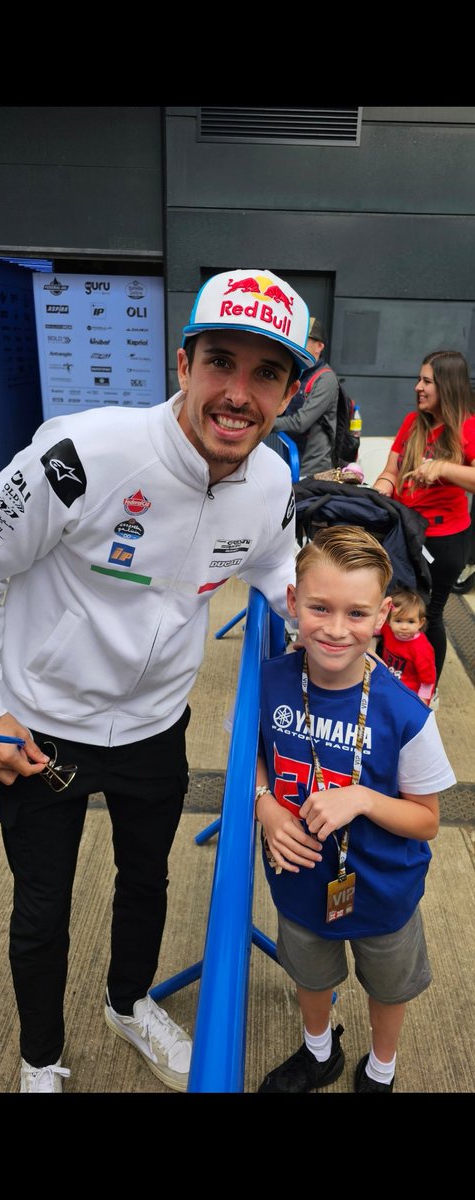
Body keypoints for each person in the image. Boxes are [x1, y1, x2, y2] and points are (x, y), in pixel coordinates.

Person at [0, 267, 316, 1094]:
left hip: (156, 724)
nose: (238, 394)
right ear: (182, 364)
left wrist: (339, 633)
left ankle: (128, 1001)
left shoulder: (272, 483)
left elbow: (281, 574)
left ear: (292, 390)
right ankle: (41, 1061)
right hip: (45, 724)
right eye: (221, 361)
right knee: (43, 912)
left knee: (147, 877)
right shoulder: (85, 451)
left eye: (267, 374)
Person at [254, 526, 455, 1094]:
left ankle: (381, 1067)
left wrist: (364, 798)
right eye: (319, 607)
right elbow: (253, 754)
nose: (337, 629)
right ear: (293, 603)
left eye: (357, 613)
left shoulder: (405, 713)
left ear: (384, 614)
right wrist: (263, 803)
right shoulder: (268, 682)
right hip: (298, 877)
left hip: (383, 889)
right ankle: (320, 1052)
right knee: (309, 974)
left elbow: (428, 819)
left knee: (388, 987)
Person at [372, 350, 475, 690]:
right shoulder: (412, 423)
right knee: (394, 609)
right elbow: (391, 469)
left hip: (444, 540)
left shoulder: (468, 427)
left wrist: (444, 467)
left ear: (447, 385)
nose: (418, 387)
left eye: (427, 381)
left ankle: (425, 693)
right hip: (404, 532)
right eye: (419, 379)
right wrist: (381, 487)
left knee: (428, 616)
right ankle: (389, 681)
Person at [268, 316, 339, 477]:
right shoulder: (300, 373)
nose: (297, 345)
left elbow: (301, 422)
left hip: (312, 471)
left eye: (304, 340)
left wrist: (264, 421)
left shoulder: (326, 379)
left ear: (319, 346)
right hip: (289, 461)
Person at [378, 588, 436, 704]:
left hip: (408, 694)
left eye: (410, 622)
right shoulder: (388, 630)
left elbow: (427, 681)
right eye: (398, 621)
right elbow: (374, 629)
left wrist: (422, 703)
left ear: (421, 622)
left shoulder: (422, 649)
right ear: (389, 621)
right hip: (388, 685)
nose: (404, 627)